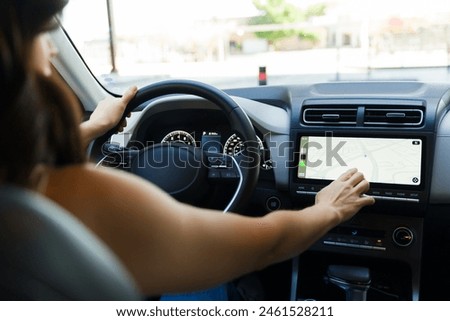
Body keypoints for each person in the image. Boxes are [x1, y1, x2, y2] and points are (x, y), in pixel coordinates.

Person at [0, 0, 375, 297]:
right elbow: (268, 244)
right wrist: (327, 209)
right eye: (42, 34)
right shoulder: (94, 198)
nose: (51, 52)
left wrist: (95, 127)